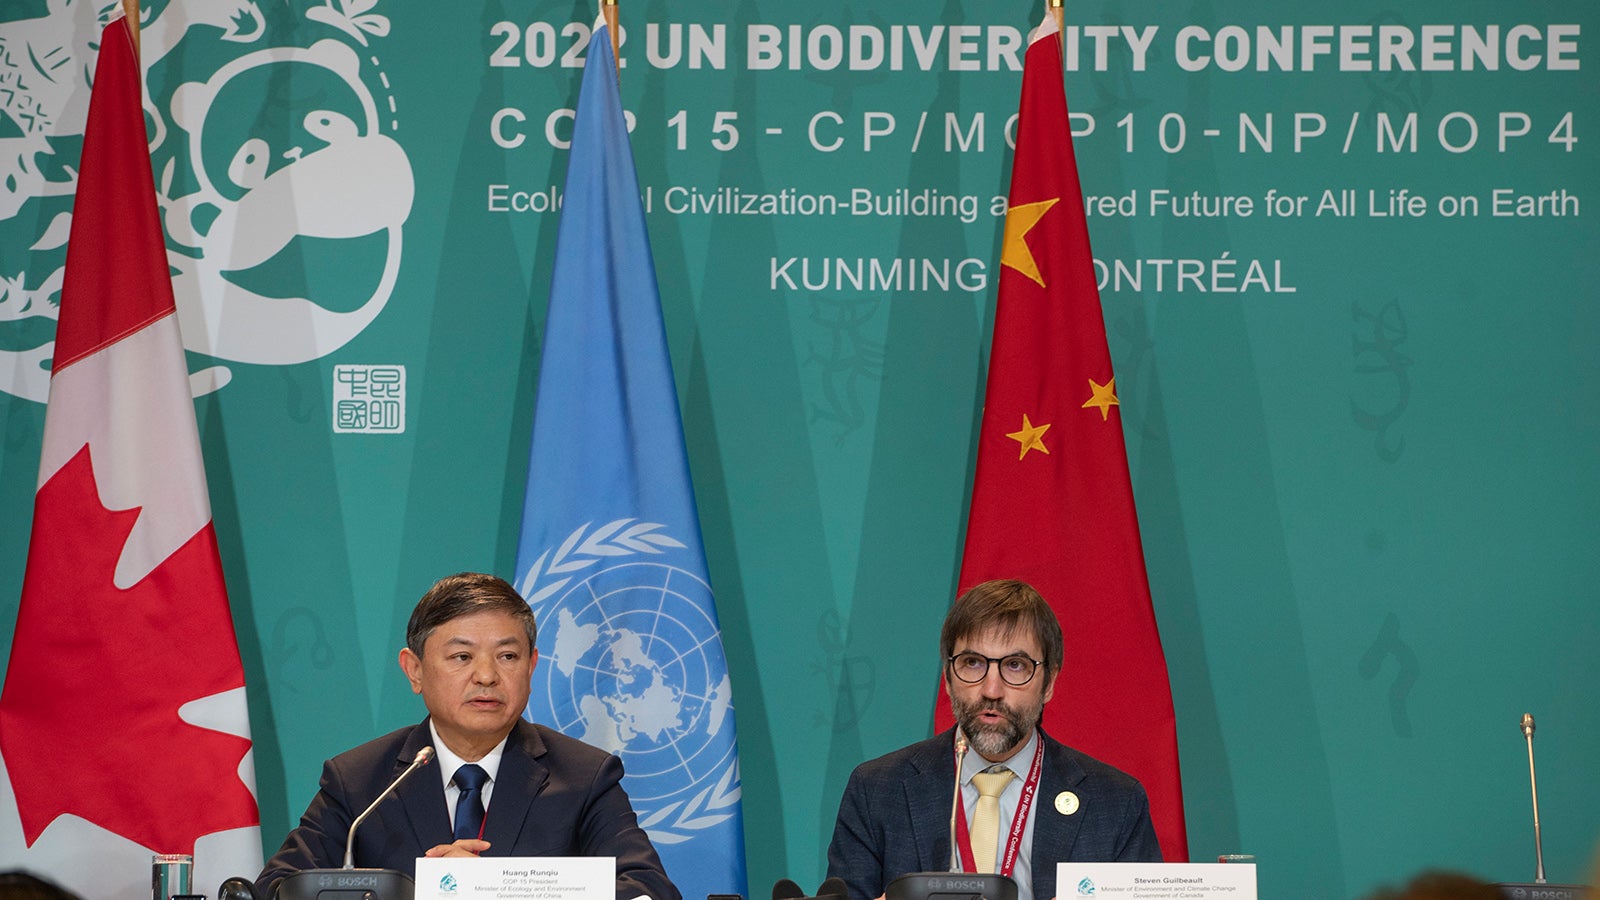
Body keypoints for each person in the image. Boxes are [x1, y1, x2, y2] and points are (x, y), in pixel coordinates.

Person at [257, 573, 678, 900]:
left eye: (508, 656)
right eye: (461, 656)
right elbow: (277, 888)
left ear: (531, 667)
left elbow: (648, 891)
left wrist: (490, 888)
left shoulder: (585, 777)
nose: (487, 676)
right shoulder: (360, 780)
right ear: (415, 670)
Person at [827, 579, 1161, 900]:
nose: (991, 690)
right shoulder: (877, 791)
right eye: (973, 663)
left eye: (1015, 666)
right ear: (947, 677)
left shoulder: (1115, 803)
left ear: (1049, 683)